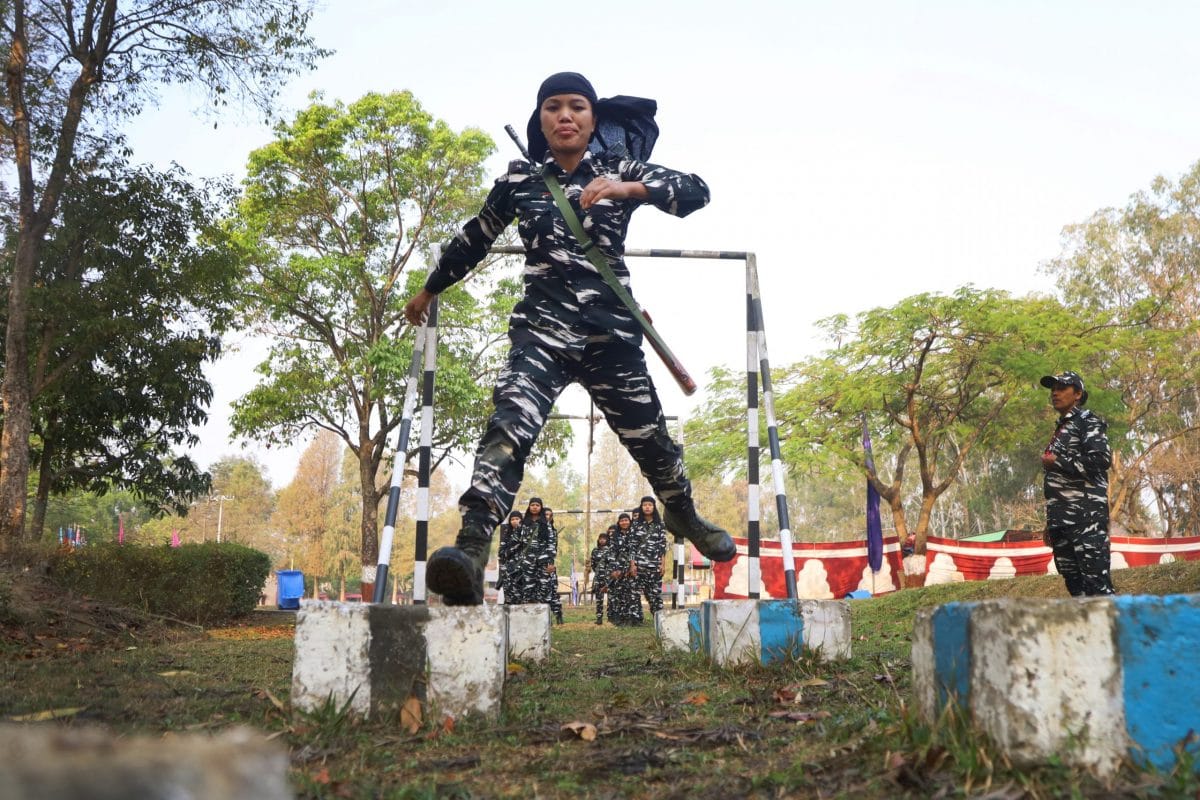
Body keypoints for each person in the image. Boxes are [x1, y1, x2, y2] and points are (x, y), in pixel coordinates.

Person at [403, 71, 735, 605]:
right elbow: (475, 238)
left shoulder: (617, 169)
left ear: (592, 118)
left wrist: (632, 189)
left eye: (577, 106)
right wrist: (428, 289)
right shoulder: (519, 180)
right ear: (540, 119)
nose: (565, 115)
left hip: (612, 336)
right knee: (509, 424)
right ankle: (470, 546)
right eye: (553, 106)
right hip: (542, 332)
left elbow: (696, 192)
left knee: (652, 441)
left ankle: (684, 512)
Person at [1039, 371, 1116, 597]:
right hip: (1062, 522)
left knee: (1098, 589)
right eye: (1053, 388)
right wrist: (1052, 520)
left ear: (1078, 394)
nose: (1055, 392)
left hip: (1086, 519)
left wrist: (1060, 461)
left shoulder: (1087, 420)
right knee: (1077, 591)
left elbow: (1101, 459)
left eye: (1062, 387)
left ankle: (1114, 632)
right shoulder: (1062, 427)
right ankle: (1089, 632)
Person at [631, 496, 668, 616]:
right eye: (645, 505)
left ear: (654, 507)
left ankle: (658, 618)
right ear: (641, 507)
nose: (647, 507)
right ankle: (636, 619)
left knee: (655, 594)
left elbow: (662, 546)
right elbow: (632, 546)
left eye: (650, 505)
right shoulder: (635, 525)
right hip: (639, 566)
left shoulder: (660, 525)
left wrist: (663, 564)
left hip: (654, 566)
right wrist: (632, 565)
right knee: (635, 594)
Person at [608, 512, 643, 625]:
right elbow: (612, 553)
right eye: (622, 520)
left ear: (630, 521)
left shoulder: (634, 534)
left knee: (634, 593)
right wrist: (614, 569)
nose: (624, 522)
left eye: (626, 520)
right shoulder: (615, 536)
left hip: (633, 567)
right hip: (619, 569)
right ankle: (622, 619)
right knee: (620, 594)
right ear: (619, 522)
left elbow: (637, 550)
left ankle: (636, 619)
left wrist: (634, 566)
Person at [497, 510, 529, 604]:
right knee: (510, 598)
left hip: (524, 570)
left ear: (521, 520)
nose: (515, 521)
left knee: (523, 597)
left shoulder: (527, 533)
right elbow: (502, 553)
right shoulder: (506, 534)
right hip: (510, 570)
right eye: (512, 519)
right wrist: (513, 547)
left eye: (517, 519)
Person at [590, 528, 615, 625]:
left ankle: (610, 618)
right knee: (599, 599)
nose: (602, 540)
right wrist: (598, 572)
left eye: (604, 538)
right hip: (598, 578)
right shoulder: (595, 550)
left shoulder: (610, 550)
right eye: (600, 538)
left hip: (608, 578)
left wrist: (607, 574)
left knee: (610, 599)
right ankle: (599, 618)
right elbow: (593, 564)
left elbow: (612, 563)